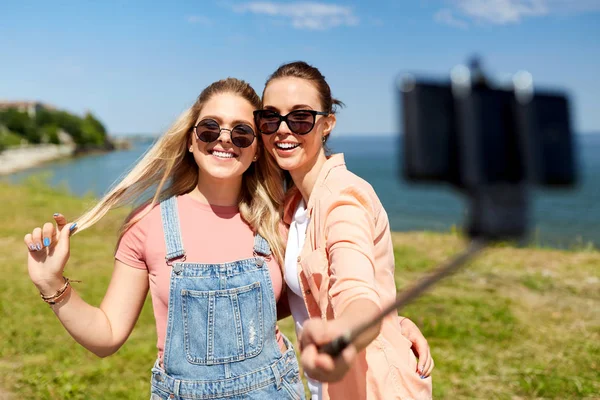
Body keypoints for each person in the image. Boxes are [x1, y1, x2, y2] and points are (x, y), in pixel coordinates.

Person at [23, 78, 306, 399]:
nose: (225, 140)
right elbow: (107, 335)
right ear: (190, 139)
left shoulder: (276, 221)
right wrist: (51, 283)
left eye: (242, 132)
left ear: (256, 150)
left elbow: (295, 306)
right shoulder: (148, 224)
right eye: (210, 128)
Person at [255, 61, 434, 399]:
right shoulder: (293, 207)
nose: (283, 129)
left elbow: (356, 293)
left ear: (327, 125)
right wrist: (394, 321)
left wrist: (345, 335)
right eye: (270, 117)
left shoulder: (344, 198)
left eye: (300, 118)